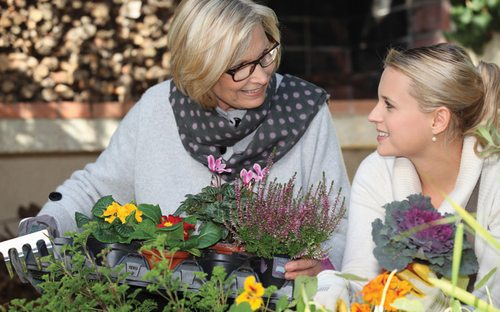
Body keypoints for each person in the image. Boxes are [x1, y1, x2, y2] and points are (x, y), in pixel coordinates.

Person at [19, 0, 350, 278]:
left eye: (266, 55)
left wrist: (321, 264)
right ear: (201, 68)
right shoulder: (156, 107)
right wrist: (48, 223)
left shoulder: (306, 109)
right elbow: (95, 189)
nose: (263, 75)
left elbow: (339, 216)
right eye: (241, 67)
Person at [314, 43, 500, 310]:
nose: (373, 115)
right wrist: (331, 290)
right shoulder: (376, 170)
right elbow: (360, 283)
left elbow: (493, 301)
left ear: (438, 120)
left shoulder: (494, 179)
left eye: (388, 105)